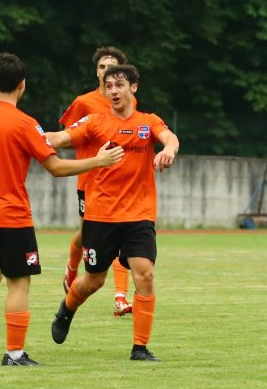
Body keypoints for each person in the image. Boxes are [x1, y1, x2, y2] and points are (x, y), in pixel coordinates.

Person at [0, 53, 124, 366]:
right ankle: (14, 353)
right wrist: (97, 161)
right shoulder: (25, 124)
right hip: (12, 215)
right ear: (22, 85)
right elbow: (57, 167)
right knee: (19, 282)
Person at [47, 64, 179, 361]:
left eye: (119, 84)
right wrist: (28, 136)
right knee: (93, 281)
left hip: (139, 215)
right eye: (109, 86)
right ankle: (66, 310)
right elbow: (60, 138)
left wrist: (169, 149)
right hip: (101, 215)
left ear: (134, 88)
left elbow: (169, 137)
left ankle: (140, 348)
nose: (113, 91)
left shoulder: (148, 121)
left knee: (144, 273)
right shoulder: (95, 121)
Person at [58, 46, 136, 316]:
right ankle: (71, 268)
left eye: (112, 67)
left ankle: (120, 296)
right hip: (90, 181)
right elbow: (68, 135)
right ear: (96, 72)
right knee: (85, 236)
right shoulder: (84, 103)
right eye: (103, 67)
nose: (107, 72)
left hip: (121, 184)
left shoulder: (127, 102)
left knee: (123, 237)